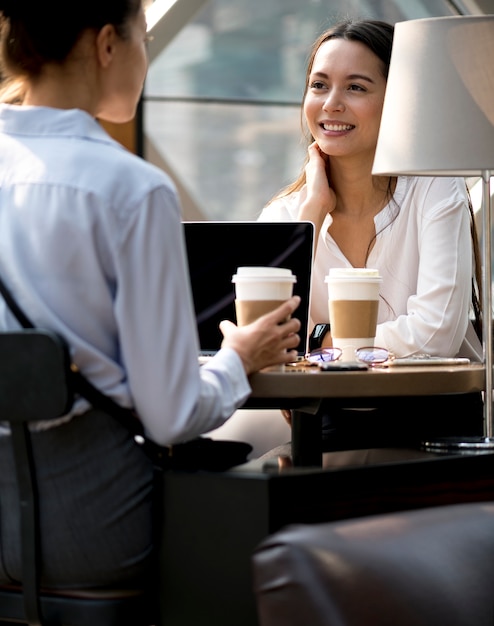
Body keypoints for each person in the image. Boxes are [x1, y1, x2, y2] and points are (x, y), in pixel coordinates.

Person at [0, 0, 302, 590]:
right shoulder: (131, 190)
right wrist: (239, 359)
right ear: (107, 44)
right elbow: (171, 416)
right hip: (95, 534)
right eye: (142, 38)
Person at [258, 18, 484, 451]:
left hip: (438, 417)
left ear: (399, 99)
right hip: (330, 418)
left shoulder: (436, 188)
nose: (332, 104)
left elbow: (436, 335)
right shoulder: (285, 215)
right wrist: (309, 218)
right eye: (319, 85)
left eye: (356, 88)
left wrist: (321, 342)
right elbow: (273, 343)